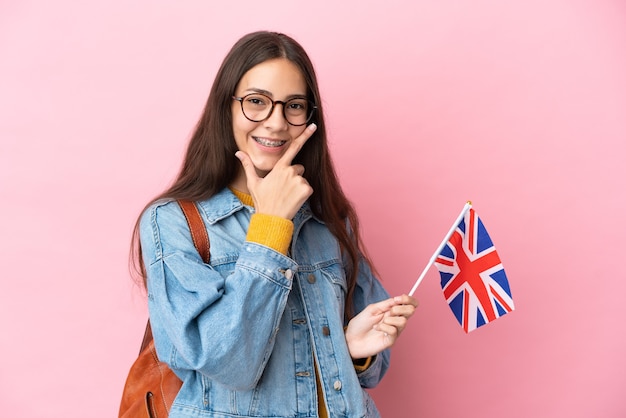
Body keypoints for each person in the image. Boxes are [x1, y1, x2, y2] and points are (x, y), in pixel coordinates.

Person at [131, 30, 418, 418]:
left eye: (294, 105)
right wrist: (270, 227)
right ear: (226, 107)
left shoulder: (330, 219)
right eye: (256, 102)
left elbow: (371, 372)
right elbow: (230, 364)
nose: (276, 122)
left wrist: (350, 351)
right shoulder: (172, 222)